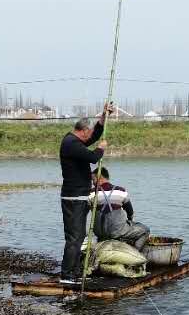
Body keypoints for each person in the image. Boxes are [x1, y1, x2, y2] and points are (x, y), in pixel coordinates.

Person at [58, 106, 110, 286]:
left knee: (79, 236)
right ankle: (66, 274)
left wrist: (103, 119)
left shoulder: (75, 141)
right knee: (74, 237)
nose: (90, 137)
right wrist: (101, 149)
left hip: (79, 197)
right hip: (73, 198)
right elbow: (93, 157)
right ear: (83, 131)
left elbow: (94, 137)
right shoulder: (70, 144)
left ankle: (74, 271)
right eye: (88, 133)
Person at [93, 167, 149, 249]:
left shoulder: (92, 193)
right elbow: (130, 212)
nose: (93, 183)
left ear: (100, 178)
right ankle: (135, 252)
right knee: (145, 230)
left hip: (100, 232)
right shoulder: (120, 191)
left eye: (93, 180)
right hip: (117, 232)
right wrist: (130, 221)